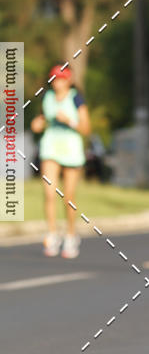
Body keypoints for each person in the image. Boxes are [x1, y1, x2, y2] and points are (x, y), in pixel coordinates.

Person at [30, 64, 91, 258]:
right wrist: (36, 125)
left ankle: (71, 235)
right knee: (49, 192)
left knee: (69, 197)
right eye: (55, 79)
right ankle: (52, 233)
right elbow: (40, 121)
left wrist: (69, 121)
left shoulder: (76, 98)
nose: (58, 83)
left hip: (71, 149)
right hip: (50, 148)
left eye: (62, 79)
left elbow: (86, 128)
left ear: (70, 80)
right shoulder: (47, 98)